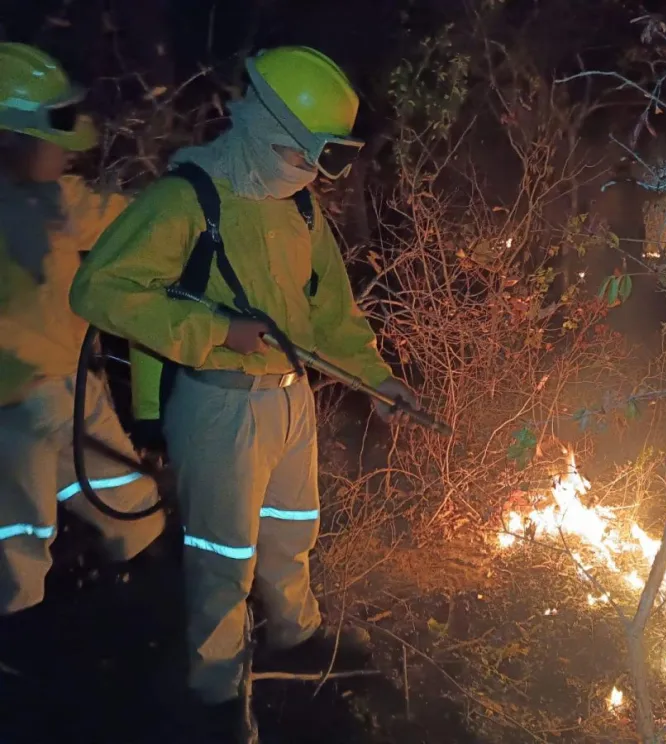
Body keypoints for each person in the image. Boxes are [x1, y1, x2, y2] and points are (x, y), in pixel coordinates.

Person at [69, 45, 416, 741]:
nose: (314, 175)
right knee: (223, 552)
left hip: (292, 403)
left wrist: (377, 380)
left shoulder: (301, 212)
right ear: (264, 132)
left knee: (292, 533)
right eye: (305, 156)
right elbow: (99, 290)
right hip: (219, 404)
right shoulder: (185, 200)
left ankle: (295, 632)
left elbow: (332, 319)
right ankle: (214, 684)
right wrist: (214, 331)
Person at [0, 43, 164, 632]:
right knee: (19, 536)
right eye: (52, 135)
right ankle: (27, 660)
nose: (65, 150)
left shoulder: (54, 199)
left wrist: (190, 213)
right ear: (9, 137)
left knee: (136, 509)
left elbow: (124, 215)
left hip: (70, 393)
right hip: (13, 412)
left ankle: (139, 615)